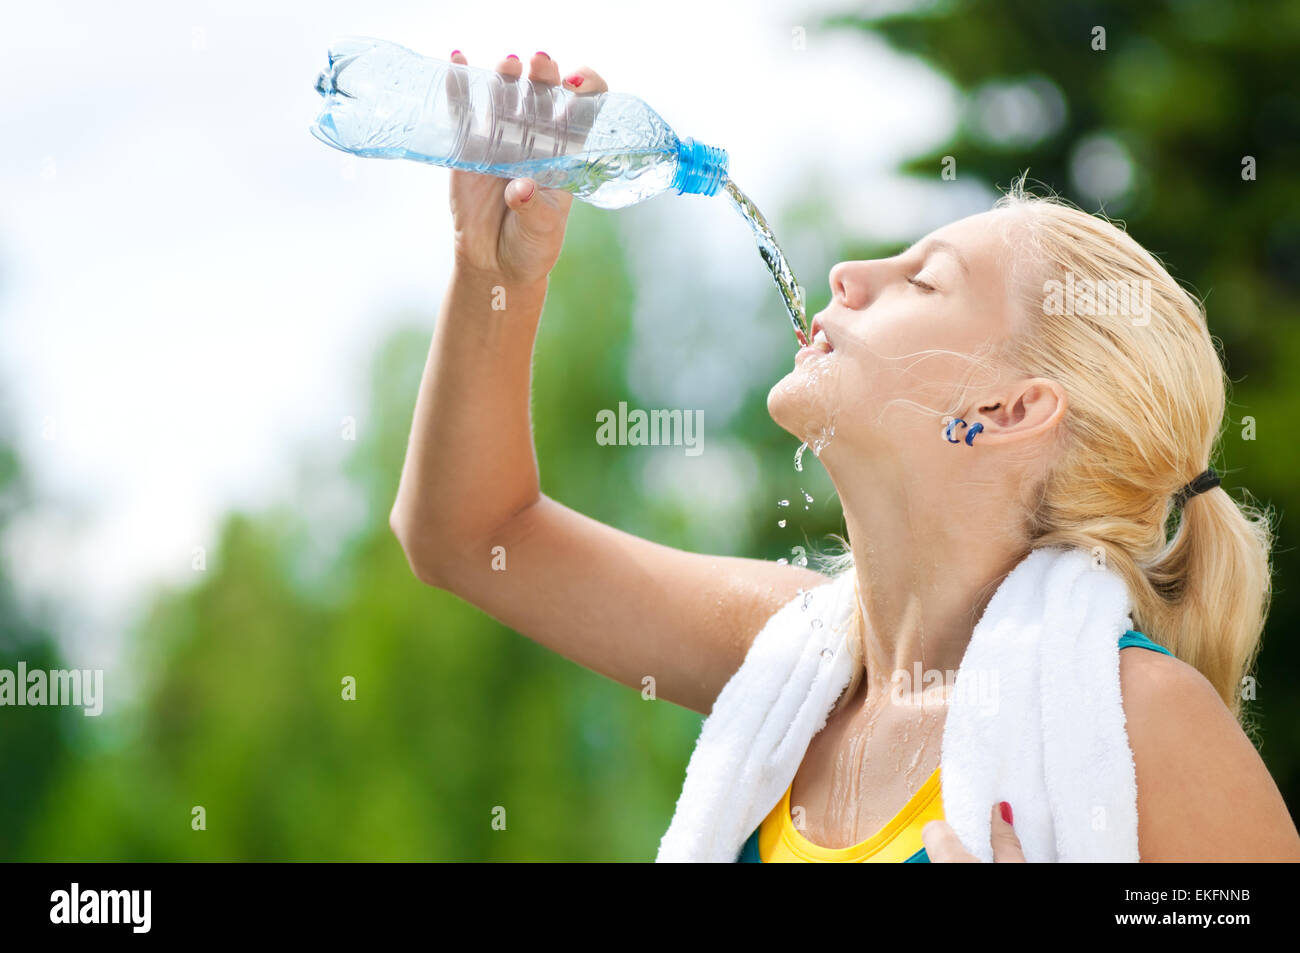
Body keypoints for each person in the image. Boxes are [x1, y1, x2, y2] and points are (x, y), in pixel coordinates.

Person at [389, 50, 1300, 862]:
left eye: (923, 278)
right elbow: (470, 534)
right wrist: (493, 274)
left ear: (1009, 408)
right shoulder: (790, 654)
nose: (848, 276)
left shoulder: (1147, 721)